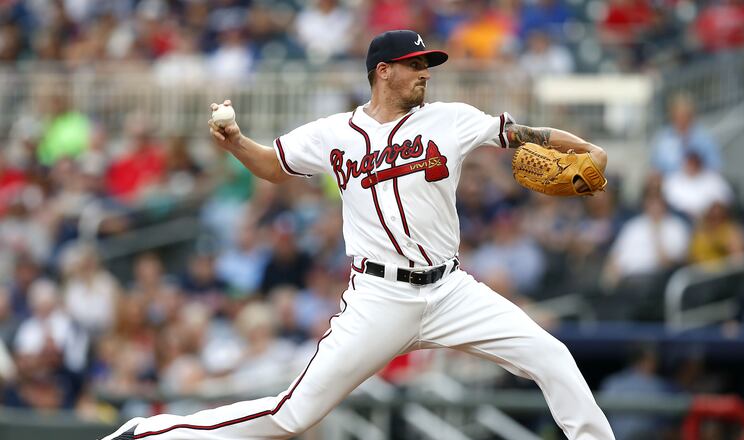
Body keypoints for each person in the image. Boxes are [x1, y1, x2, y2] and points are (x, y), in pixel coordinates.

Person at [101, 29, 614, 440]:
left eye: (427, 66)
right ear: (382, 71)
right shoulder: (333, 133)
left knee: (551, 356)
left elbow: (527, 134)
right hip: (380, 296)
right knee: (294, 415)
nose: (424, 74)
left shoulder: (451, 120)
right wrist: (237, 142)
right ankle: (150, 433)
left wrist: (589, 149)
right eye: (415, 65)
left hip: (451, 290)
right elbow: (274, 166)